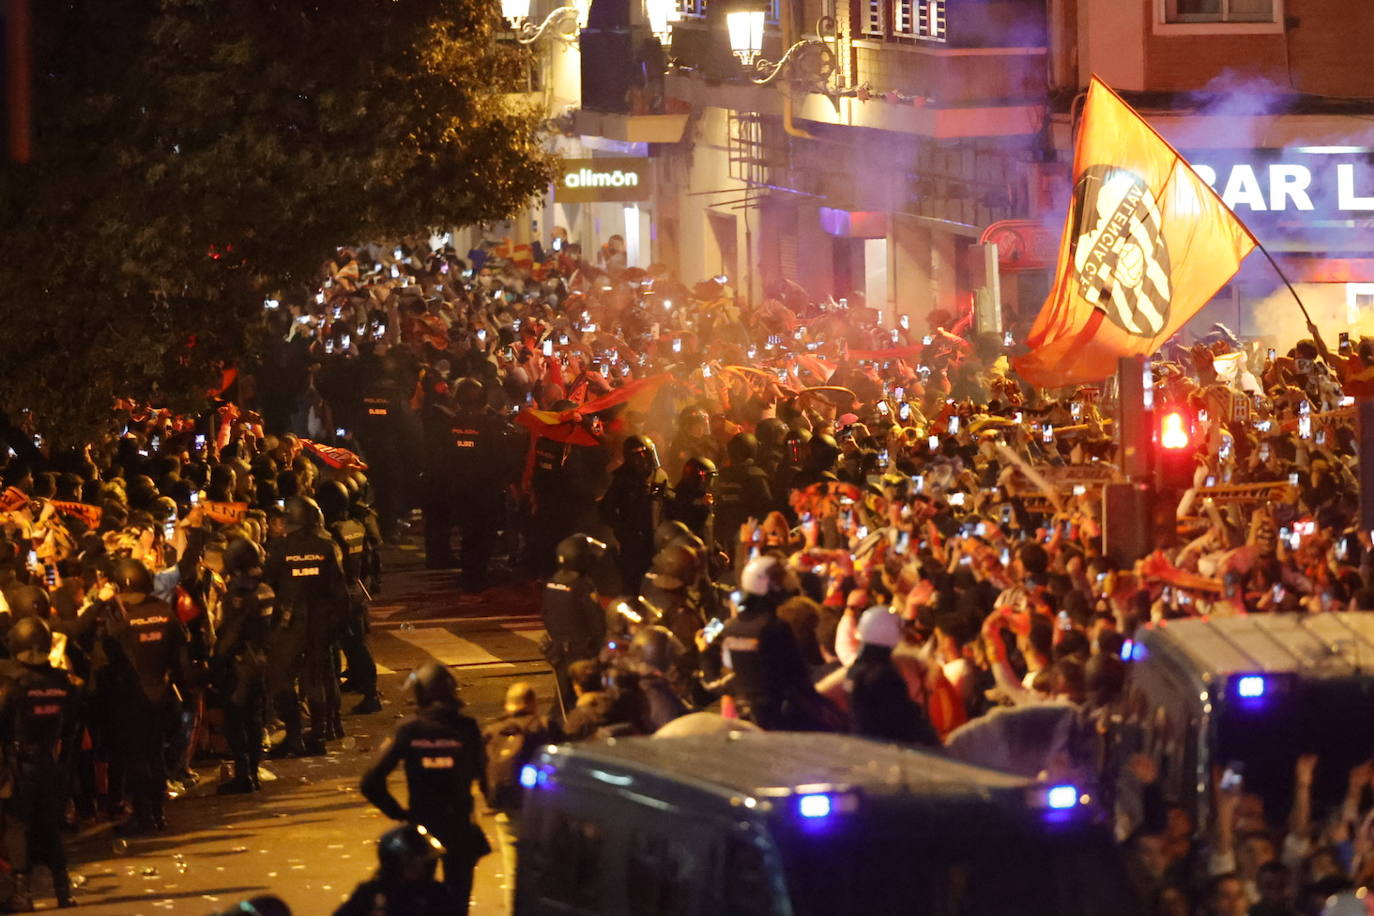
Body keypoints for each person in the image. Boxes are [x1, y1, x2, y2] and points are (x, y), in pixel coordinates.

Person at [361, 662, 488, 913]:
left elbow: (370, 781)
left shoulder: (410, 730)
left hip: (422, 824)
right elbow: (484, 772)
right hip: (460, 824)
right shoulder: (467, 727)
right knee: (458, 899)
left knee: (418, 899)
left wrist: (399, 813)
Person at [100, 556, 191, 834]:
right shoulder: (165, 612)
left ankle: (144, 814)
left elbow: (106, 657)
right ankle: (158, 811)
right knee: (154, 754)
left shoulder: (121, 620)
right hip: (162, 692)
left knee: (137, 757)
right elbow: (181, 660)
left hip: (131, 695)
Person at [0, 617, 81, 909]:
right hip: (51, 762)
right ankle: (63, 889)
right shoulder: (62, 683)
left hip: (21, 766)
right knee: (48, 826)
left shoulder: (14, 685)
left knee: (18, 826)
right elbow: (71, 724)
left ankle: (23, 894)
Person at [264, 496, 348, 756]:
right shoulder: (326, 546)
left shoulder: (281, 548)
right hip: (321, 620)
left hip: (291, 621)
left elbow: (270, 585)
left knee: (281, 677)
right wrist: (341, 624)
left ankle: (294, 734)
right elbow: (339, 590)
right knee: (317, 677)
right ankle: (319, 735)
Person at [481, 682, 550, 912]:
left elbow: (481, 769)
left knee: (513, 870)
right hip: (540, 808)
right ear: (532, 703)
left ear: (507, 705)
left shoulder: (492, 731)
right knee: (543, 868)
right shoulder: (542, 727)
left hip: (507, 806)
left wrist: (489, 797)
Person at [212, 537, 273, 794]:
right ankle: (253, 772)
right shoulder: (266, 590)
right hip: (262, 661)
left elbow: (231, 635)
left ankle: (243, 774)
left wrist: (215, 662)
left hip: (240, 665)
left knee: (236, 721)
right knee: (255, 720)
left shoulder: (238, 596)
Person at [541, 534, 610, 717]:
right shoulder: (582, 585)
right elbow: (597, 621)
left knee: (563, 697)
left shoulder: (552, 582)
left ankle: (559, 728)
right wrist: (600, 645)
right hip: (581, 651)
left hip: (559, 648)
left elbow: (546, 614)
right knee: (585, 696)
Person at [333, 825, 461, 916]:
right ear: (394, 864)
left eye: (421, 860)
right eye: (409, 861)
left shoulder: (436, 894)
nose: (416, 866)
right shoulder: (371, 894)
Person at [598, 435, 671, 589]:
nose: (644, 458)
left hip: (656, 541)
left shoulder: (660, 476)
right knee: (632, 583)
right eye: (639, 454)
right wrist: (623, 530)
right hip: (632, 543)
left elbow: (672, 504)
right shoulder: (623, 478)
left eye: (646, 453)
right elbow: (606, 509)